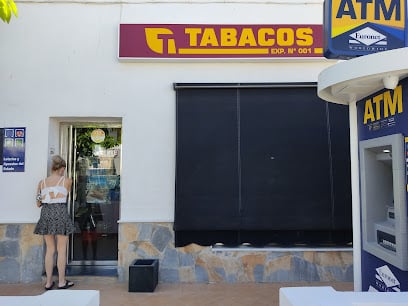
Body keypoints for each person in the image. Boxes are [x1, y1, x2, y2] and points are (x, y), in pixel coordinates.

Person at [34, 155, 75, 290]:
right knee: (61, 250)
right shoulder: (67, 181)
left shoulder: (42, 183)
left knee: (50, 250)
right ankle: (62, 282)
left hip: (46, 214)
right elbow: (66, 197)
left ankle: (48, 282)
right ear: (62, 169)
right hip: (60, 214)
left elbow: (38, 203)